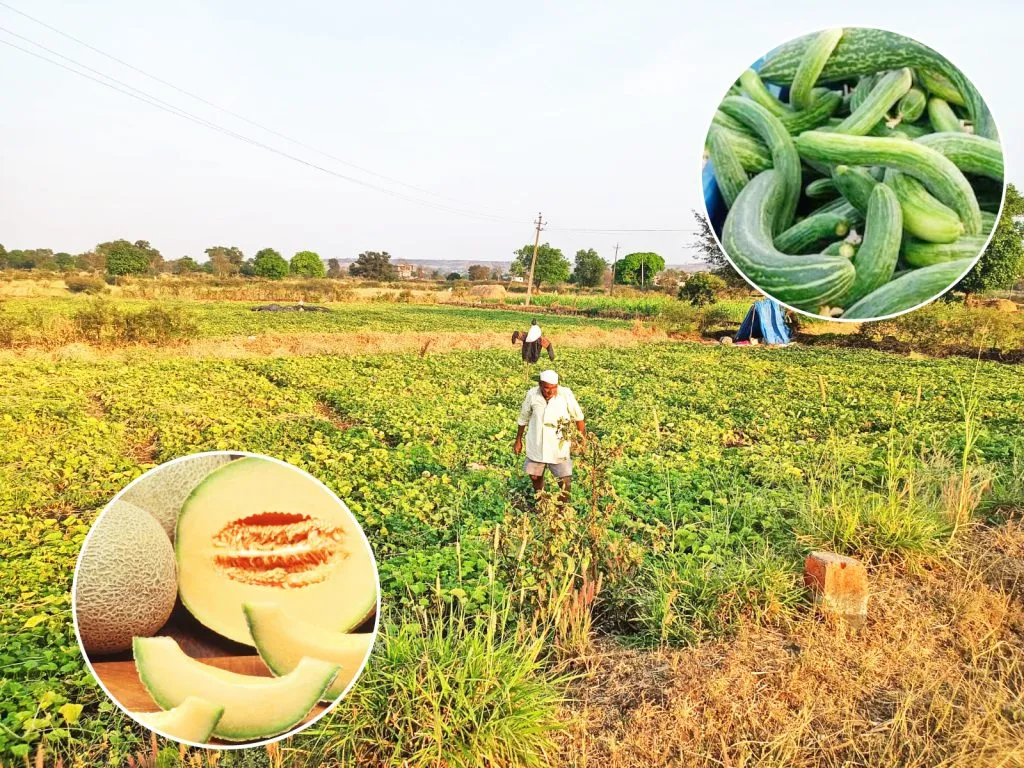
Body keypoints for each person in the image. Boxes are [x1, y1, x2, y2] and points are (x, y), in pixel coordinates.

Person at [514, 369, 585, 502]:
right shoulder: (532, 395)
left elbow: (579, 418)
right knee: (535, 477)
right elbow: (523, 418)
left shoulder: (565, 394)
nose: (550, 391)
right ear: (540, 384)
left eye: (554, 388)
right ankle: (541, 503)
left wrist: (582, 441)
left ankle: (562, 508)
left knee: (564, 481)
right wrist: (518, 440)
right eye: (547, 388)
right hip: (536, 444)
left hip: (558, 446)